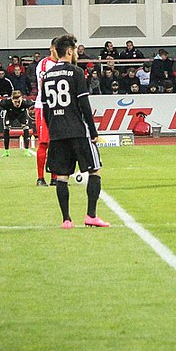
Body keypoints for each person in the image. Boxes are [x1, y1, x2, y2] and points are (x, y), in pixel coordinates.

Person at [42, 35, 110, 228]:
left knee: (62, 176)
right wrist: (94, 132)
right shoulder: (77, 72)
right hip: (77, 130)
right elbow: (84, 104)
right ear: (70, 51)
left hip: (57, 132)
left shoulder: (46, 76)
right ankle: (91, 215)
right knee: (95, 169)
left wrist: (52, 129)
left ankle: (66, 219)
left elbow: (46, 109)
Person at [33, 43, 60, 186]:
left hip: (59, 107)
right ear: (52, 48)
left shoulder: (63, 63)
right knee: (44, 142)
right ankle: (40, 178)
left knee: (57, 142)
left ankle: (55, 178)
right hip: (44, 107)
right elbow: (43, 85)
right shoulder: (44, 64)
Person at [0, 90, 35, 157]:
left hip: (22, 114)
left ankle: (26, 151)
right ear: (12, 100)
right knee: (6, 129)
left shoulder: (26, 103)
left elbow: (33, 102)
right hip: (10, 114)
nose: (17, 104)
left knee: (26, 128)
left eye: (19, 101)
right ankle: (6, 151)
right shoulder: (6, 103)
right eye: (15, 102)